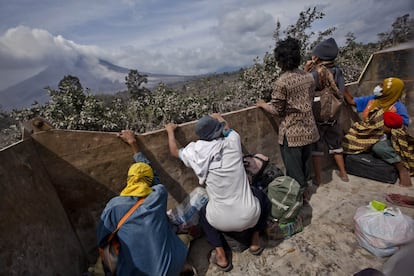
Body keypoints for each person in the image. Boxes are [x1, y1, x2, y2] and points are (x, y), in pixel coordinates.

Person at [165, 113, 270, 272]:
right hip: (250, 215)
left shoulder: (195, 152)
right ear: (218, 131)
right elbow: (227, 128)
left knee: (203, 213)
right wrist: (219, 117)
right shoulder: (233, 142)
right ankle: (255, 241)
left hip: (220, 221)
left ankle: (221, 255)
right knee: (261, 196)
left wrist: (170, 131)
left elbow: (174, 151)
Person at [97, 130, 190, 275]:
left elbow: (103, 241)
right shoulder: (158, 194)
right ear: (150, 180)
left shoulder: (114, 206)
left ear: (129, 179)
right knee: (183, 237)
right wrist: (133, 143)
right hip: (169, 269)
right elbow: (153, 176)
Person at [257, 36, 319, 196]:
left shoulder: (282, 82)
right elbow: (309, 98)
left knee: (294, 170)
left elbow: (277, 110)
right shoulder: (309, 77)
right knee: (306, 164)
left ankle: (299, 198)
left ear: (280, 61)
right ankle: (306, 191)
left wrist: (263, 105)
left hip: (292, 134)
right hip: (309, 129)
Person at [343, 77, 413, 186]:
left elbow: (401, 128)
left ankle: (401, 168)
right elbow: (352, 101)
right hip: (369, 133)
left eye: (383, 86)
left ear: (392, 91)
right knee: (348, 140)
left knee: (379, 147)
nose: (379, 88)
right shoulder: (374, 99)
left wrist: (383, 124)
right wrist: (344, 89)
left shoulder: (398, 107)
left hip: (386, 137)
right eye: (381, 85)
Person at [304, 37, 349, 184]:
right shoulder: (338, 71)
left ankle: (318, 178)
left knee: (317, 148)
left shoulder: (317, 73)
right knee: (336, 145)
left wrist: (306, 71)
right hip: (334, 116)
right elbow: (341, 91)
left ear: (318, 57)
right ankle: (343, 174)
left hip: (318, 116)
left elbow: (305, 87)